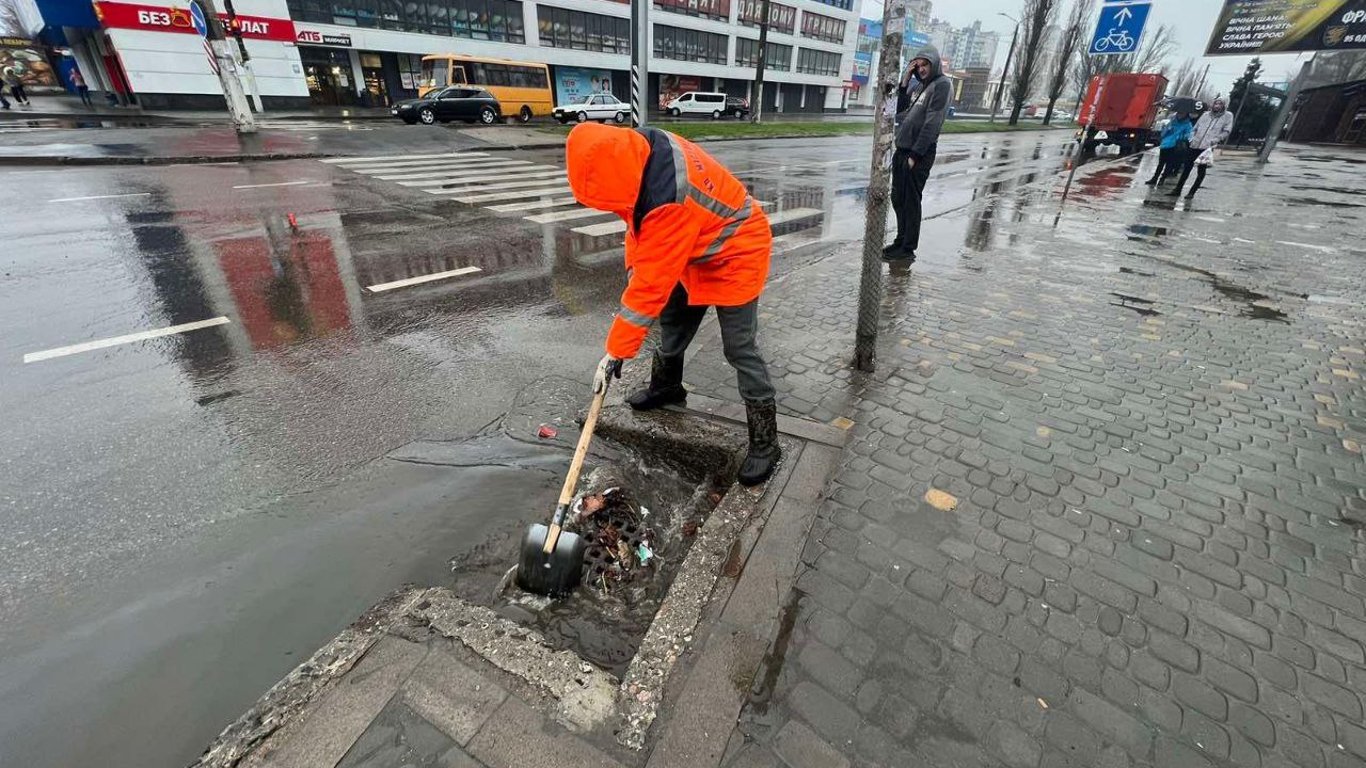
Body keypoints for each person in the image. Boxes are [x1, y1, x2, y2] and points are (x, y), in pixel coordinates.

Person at [568, 122, 781, 487]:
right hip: (697, 245)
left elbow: (650, 286)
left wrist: (616, 351)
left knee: (739, 347)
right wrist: (635, 269)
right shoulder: (640, 152)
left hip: (737, 249)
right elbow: (638, 229)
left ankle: (766, 442)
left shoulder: (668, 197)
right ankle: (667, 387)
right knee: (674, 320)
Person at [885, 46, 952, 263]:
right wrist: (906, 78)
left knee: (911, 201)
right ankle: (900, 240)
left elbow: (932, 122)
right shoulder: (919, 87)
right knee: (898, 198)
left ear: (934, 64)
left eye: (926, 65)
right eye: (919, 65)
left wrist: (915, 155)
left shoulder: (941, 85)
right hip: (902, 150)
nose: (922, 69)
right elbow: (897, 109)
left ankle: (907, 248)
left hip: (917, 153)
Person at [1169, 98, 1233, 198]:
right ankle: (1177, 189)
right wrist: (1191, 138)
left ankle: (1191, 192)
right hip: (1195, 144)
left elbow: (1226, 131)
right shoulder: (1205, 115)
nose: (1217, 105)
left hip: (1207, 147)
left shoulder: (1227, 116)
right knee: (1186, 168)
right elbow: (1195, 128)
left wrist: (1216, 139)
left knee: (1201, 170)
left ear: (1223, 106)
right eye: (1215, 103)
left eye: (1220, 104)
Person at [1145, 110, 1193, 186]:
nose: (1180, 115)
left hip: (1176, 146)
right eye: (1179, 113)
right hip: (1166, 144)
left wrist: (1181, 136)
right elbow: (1163, 133)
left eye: (1182, 113)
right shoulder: (1172, 121)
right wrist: (1167, 129)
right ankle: (1154, 178)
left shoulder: (1187, 124)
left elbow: (1189, 135)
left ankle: (1162, 179)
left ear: (1186, 114)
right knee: (1161, 163)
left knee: (1169, 164)